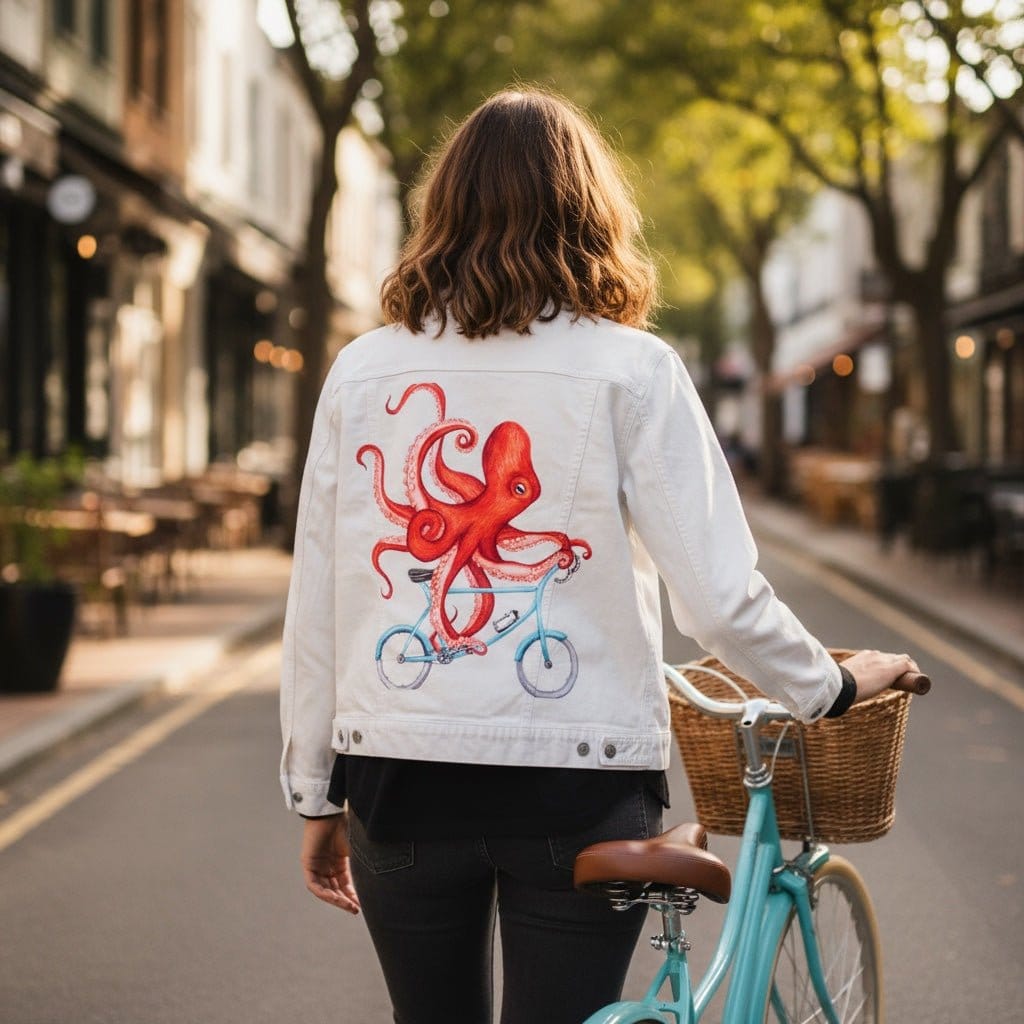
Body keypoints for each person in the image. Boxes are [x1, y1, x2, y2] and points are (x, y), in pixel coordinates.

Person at [279, 88, 917, 1024]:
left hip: (397, 778)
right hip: (577, 783)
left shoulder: (363, 370)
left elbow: (321, 596)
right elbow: (719, 600)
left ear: (441, 213)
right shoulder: (633, 369)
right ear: (592, 213)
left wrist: (312, 790)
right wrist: (829, 686)